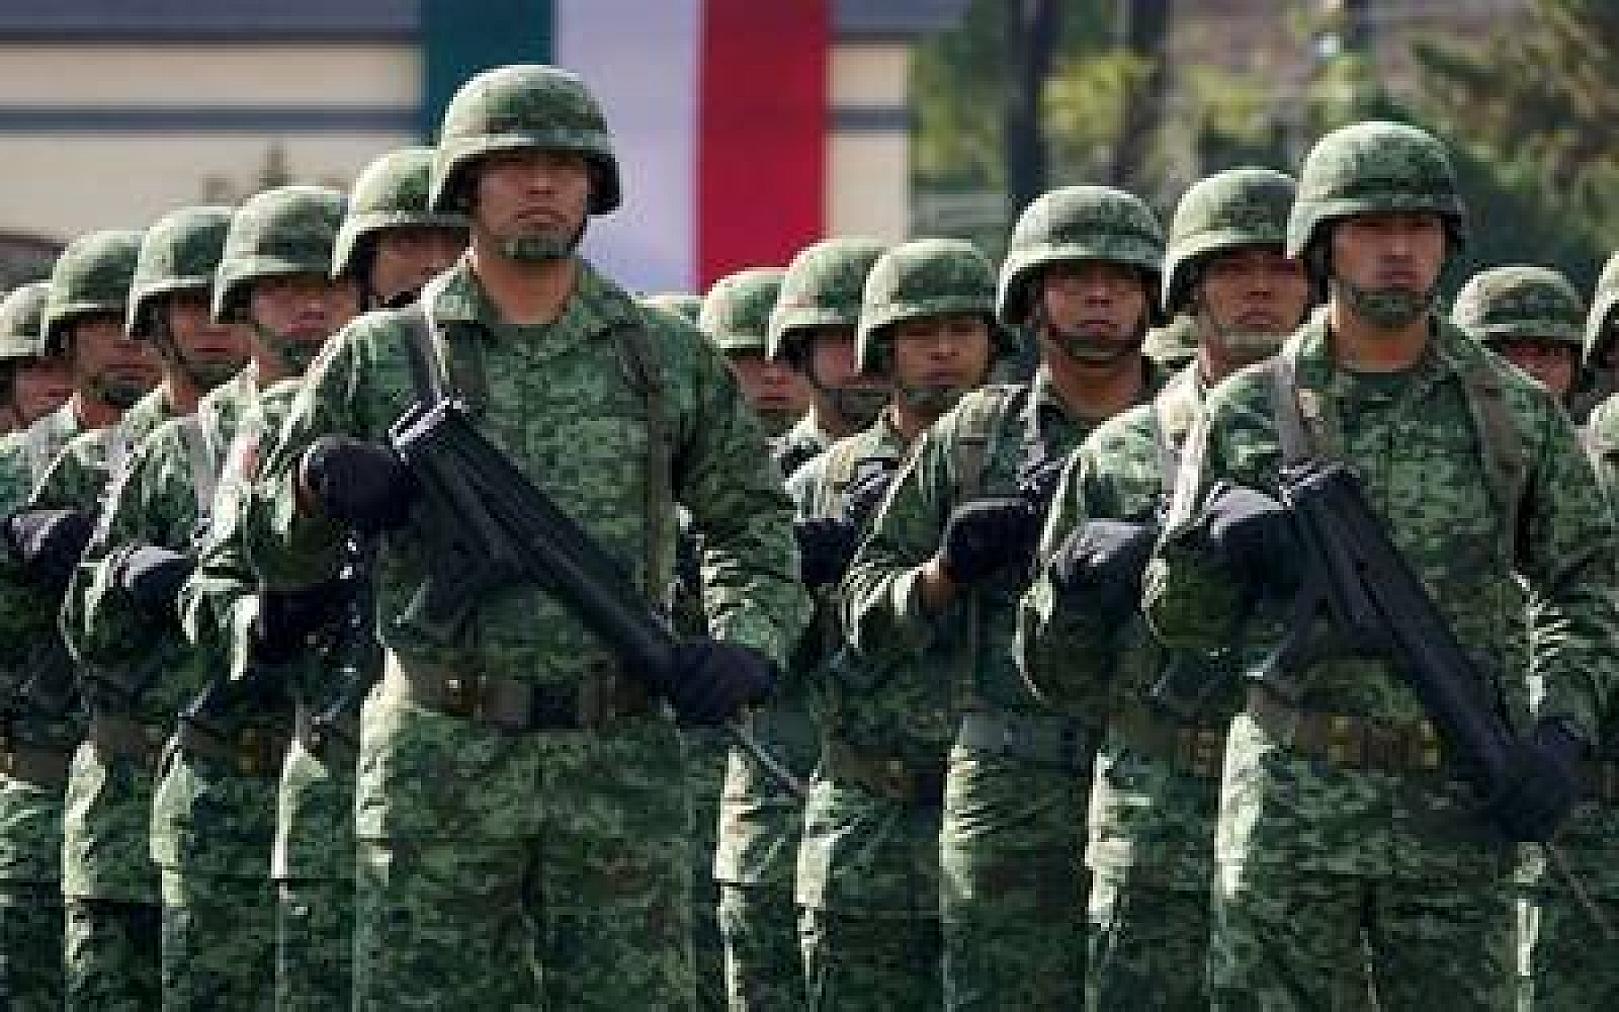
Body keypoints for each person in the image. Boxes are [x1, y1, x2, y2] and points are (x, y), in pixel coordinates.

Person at [240, 64, 809, 1008]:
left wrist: (748, 643)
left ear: (595, 187)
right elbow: (270, 555)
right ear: (466, 185)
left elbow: (750, 521)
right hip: (439, 758)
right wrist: (317, 487)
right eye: (513, 164)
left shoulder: (662, 356)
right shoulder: (382, 353)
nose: (541, 183)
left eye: (565, 165)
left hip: (617, 757)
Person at [1142, 121, 1616, 1009]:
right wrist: (1223, 548)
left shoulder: (1513, 414)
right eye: (1370, 227)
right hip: (1290, 807)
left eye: (1419, 227)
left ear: (1446, 243)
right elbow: (1177, 619)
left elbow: (1585, 585)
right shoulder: (1248, 410)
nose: (1398, 249)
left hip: (1456, 802)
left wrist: (1559, 728)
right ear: (1322, 245)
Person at [843, 185, 1168, 1010]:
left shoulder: (1198, 423)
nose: (1099, 297)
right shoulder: (973, 437)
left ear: (1152, 296)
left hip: (1167, 783)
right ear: (1029, 302)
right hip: (1010, 786)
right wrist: (944, 573)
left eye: (1120, 280)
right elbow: (862, 607)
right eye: (1073, 279)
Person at [1019, 168, 1312, 1009]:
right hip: (1157, 829)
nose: (1259, 287)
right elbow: (1053, 678)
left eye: (1280, 266)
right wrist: (1075, 590)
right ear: (1186, 288)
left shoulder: (1361, 444)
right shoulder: (1118, 454)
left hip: (1318, 830)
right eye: (1230, 267)